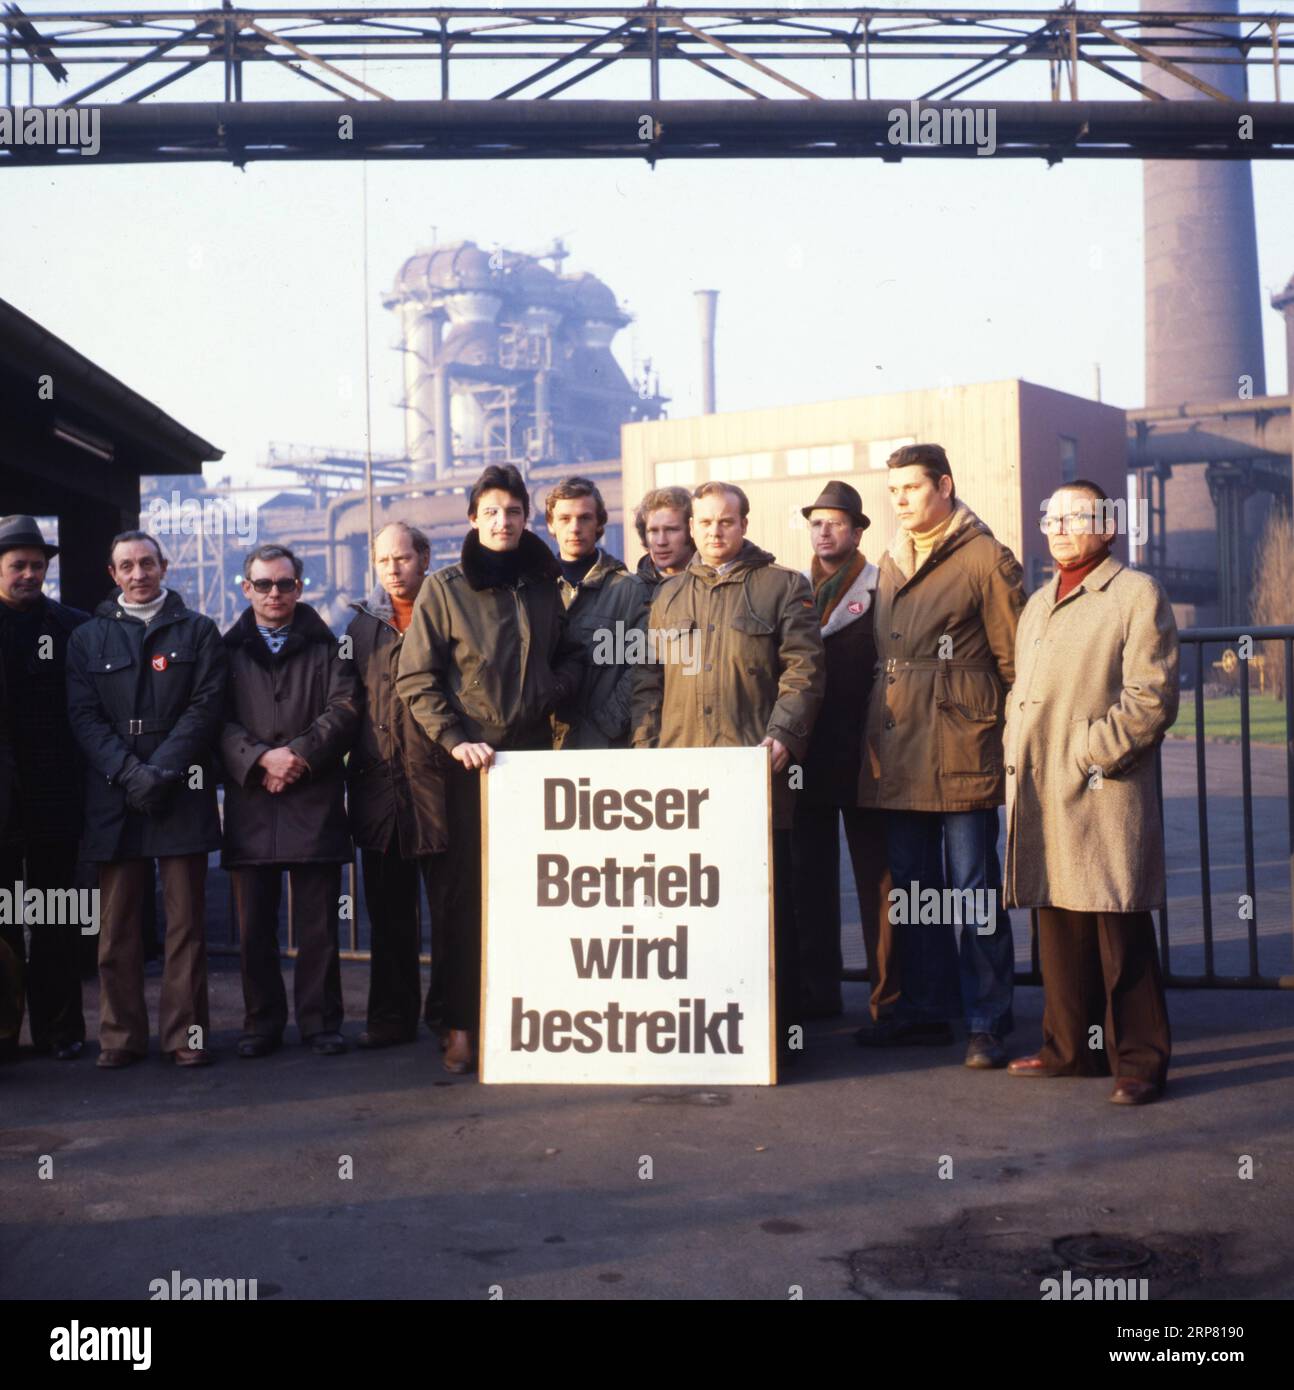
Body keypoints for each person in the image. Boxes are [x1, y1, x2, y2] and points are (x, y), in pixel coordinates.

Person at [396, 465, 583, 1074]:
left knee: (533, 895)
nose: (504, 522)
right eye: (492, 512)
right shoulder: (446, 588)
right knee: (463, 899)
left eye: (514, 511)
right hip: (471, 767)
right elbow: (416, 678)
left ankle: (528, 1017)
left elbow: (571, 653)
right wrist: (455, 739)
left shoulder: (543, 581)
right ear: (473, 519)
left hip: (530, 760)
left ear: (527, 518)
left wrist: (555, 688)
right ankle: (459, 1024)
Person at [630, 481, 824, 1064]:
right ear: (691, 527)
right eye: (705, 523)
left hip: (755, 773)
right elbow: (646, 684)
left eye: (726, 522)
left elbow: (804, 671)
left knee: (765, 903)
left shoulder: (783, 587)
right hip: (685, 778)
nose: (715, 533)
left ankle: (776, 1032)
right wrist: (648, 753)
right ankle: (704, 1026)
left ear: (744, 525)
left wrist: (783, 737)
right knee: (694, 907)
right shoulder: (665, 600)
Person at [1004, 482, 1178, 1105]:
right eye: (1050, 517)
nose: (1058, 528)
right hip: (1043, 787)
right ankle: (1070, 1049)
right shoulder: (1038, 601)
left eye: (1075, 517)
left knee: (1117, 924)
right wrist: (1014, 747)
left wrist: (1088, 752)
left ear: (1108, 526)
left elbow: (1150, 698)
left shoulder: (1135, 593)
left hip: (1103, 787)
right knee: (1057, 922)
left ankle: (1140, 1061)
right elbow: (1021, 690)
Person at [856, 444, 1024, 1069]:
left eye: (911, 488)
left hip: (962, 746)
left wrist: (1010, 745)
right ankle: (927, 1012)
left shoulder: (986, 558)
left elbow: (1015, 665)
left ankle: (987, 1019)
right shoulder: (892, 559)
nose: (899, 499)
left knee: (973, 890)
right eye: (893, 490)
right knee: (915, 889)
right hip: (900, 746)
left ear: (945, 486)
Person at [65, 530, 226, 1068]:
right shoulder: (87, 639)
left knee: (187, 926)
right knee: (116, 929)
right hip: (115, 795)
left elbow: (205, 707)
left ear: (164, 566)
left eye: (147, 564)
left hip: (179, 789)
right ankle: (120, 1038)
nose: (138, 575)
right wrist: (130, 772)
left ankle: (187, 1038)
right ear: (113, 575)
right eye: (127, 566)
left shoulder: (199, 631)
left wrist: (161, 770)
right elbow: (84, 718)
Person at [221, 543, 360, 1059]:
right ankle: (261, 1023)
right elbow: (214, 719)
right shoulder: (225, 651)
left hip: (312, 799)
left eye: (284, 584)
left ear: (299, 588)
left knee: (319, 924)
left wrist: (296, 756)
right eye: (263, 584)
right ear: (247, 589)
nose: (274, 593)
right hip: (253, 801)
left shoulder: (330, 648)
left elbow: (345, 708)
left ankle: (321, 1022)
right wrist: (260, 760)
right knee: (253, 925)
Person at [790, 483, 897, 1022]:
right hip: (806, 758)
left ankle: (887, 1000)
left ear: (857, 532)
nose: (824, 531)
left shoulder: (882, 589)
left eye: (835, 522)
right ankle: (817, 996)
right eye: (816, 523)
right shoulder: (793, 589)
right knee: (809, 877)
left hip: (865, 753)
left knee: (879, 881)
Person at [345, 522, 450, 1049]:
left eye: (403, 558)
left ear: (424, 558)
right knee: (388, 916)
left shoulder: (451, 611)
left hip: (438, 787)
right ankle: (390, 1018)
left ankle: (450, 1019)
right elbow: (344, 704)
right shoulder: (360, 627)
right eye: (384, 560)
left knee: (449, 914)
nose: (393, 569)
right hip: (379, 789)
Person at [0, 515, 90, 1061]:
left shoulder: (72, 628)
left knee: (55, 912)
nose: (29, 574)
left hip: (55, 793)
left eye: (37, 565)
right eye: (18, 565)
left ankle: (61, 1031)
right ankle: (4, 1036)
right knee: (4, 917)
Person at [546, 476, 648, 749]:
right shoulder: (534, 590)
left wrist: (606, 726)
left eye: (585, 518)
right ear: (550, 525)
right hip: (540, 746)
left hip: (604, 744)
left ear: (600, 523)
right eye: (565, 519)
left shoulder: (628, 591)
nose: (575, 528)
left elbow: (641, 667)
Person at [632, 486, 695, 595]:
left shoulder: (713, 584)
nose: (661, 541)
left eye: (671, 530)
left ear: (691, 530)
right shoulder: (631, 591)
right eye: (653, 531)